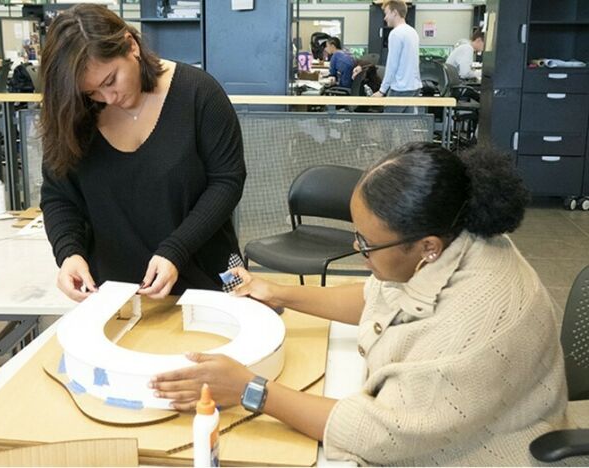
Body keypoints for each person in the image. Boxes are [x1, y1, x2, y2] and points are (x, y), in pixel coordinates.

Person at [150, 143, 572, 465]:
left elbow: (381, 433)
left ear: (426, 246)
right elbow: (381, 296)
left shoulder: (475, 321)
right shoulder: (453, 236)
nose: (356, 247)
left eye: (366, 244)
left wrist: (250, 389)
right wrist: (279, 292)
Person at [39, 4, 246, 302]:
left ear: (131, 45)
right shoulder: (75, 114)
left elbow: (227, 181)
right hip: (117, 296)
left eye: (111, 80)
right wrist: (68, 253)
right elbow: (59, 195)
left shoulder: (198, 94)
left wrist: (176, 249)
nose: (108, 97)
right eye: (91, 92)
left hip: (205, 280)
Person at [370, 0, 422, 113]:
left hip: (401, 88)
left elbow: (392, 65)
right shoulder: (412, 32)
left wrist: (382, 91)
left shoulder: (396, 33)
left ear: (394, 12)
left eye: (386, 13)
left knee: (387, 126)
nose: (385, 18)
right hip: (414, 86)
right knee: (406, 126)